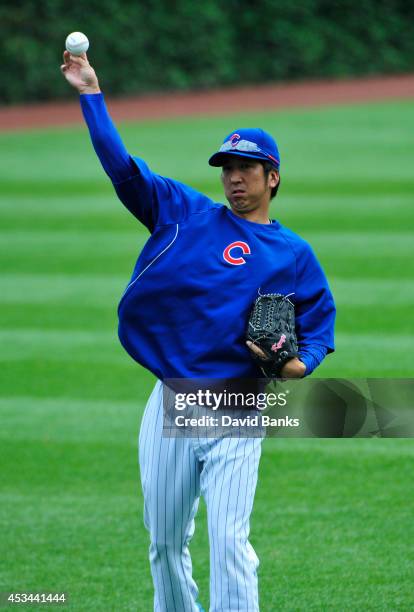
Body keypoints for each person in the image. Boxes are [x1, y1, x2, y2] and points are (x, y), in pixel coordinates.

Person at [61, 50, 335, 612]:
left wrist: (296, 366)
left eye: (247, 168)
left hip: (238, 410)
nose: (234, 178)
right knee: (164, 543)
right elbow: (121, 166)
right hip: (171, 402)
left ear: (272, 177)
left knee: (230, 542)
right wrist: (91, 93)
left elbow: (318, 329)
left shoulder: (294, 254)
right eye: (227, 168)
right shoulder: (184, 213)